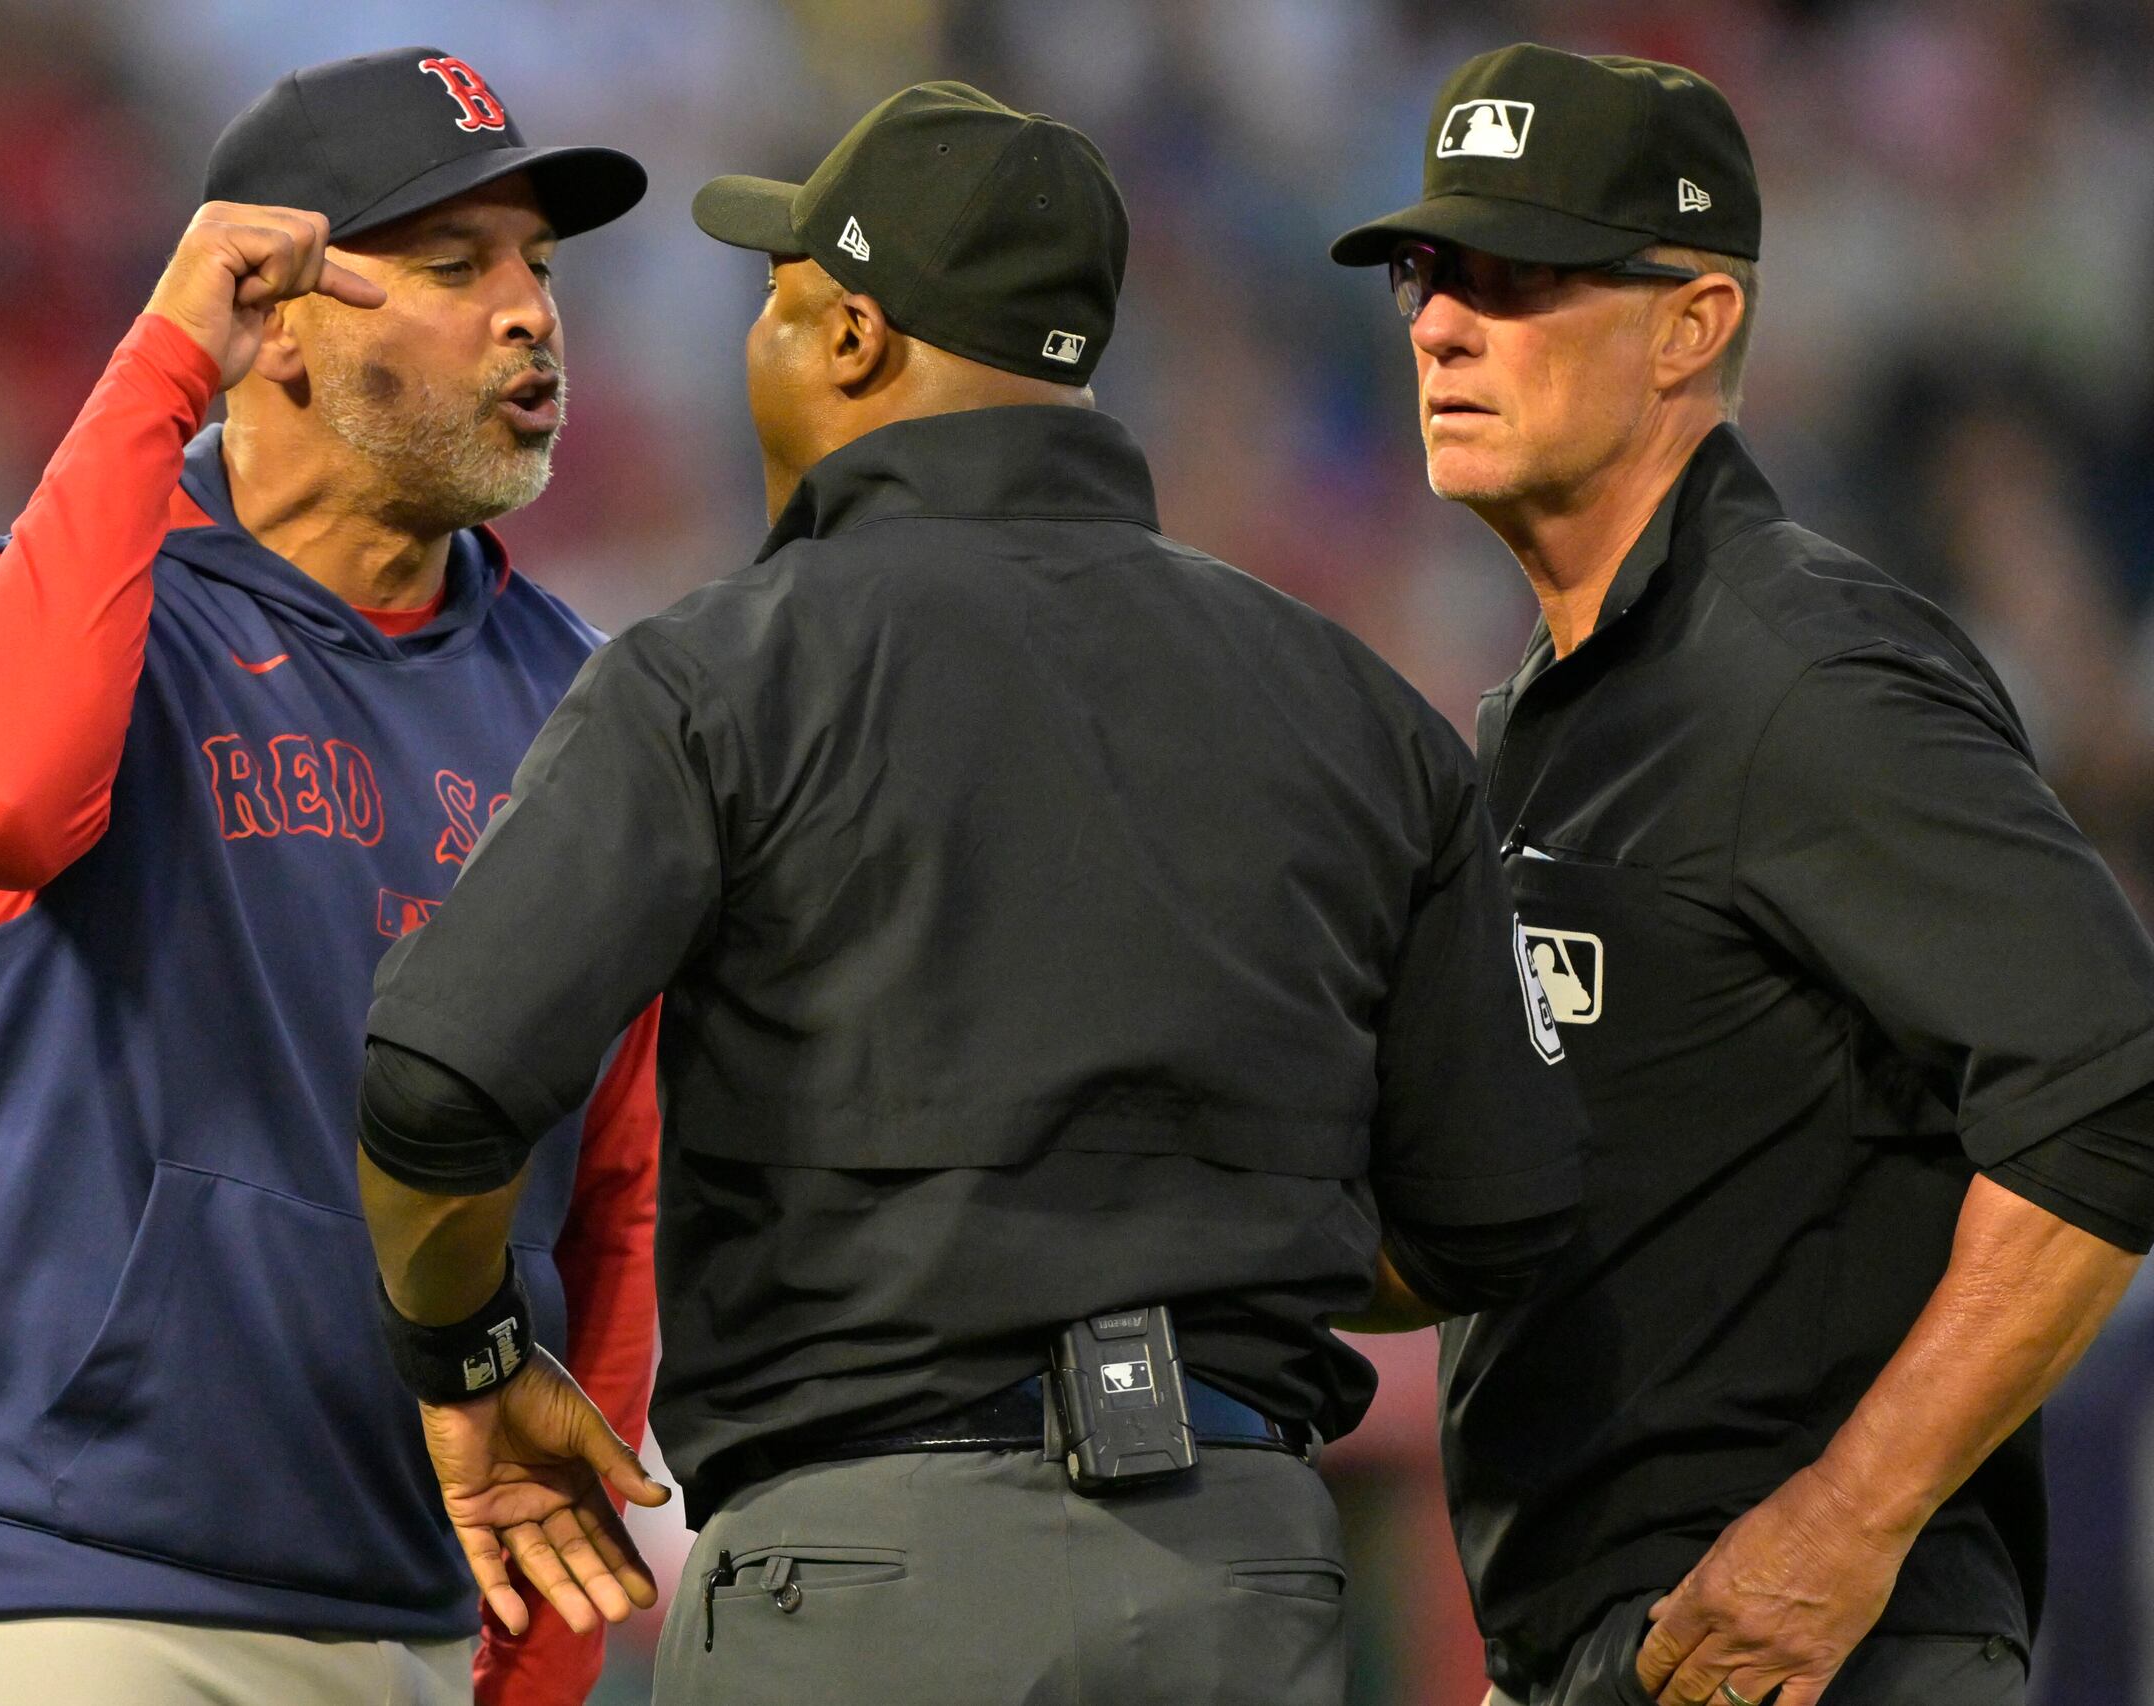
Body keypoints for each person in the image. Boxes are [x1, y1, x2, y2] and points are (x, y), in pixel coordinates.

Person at [346, 80, 1587, 1706]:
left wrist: (472, 1357)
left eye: (784, 307)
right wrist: (1190, 1233)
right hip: (1243, 1569)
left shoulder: (724, 672)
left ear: (856, 339)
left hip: (868, 1571)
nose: (761, 350)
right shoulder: (1354, 707)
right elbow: (1494, 1211)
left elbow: (435, 1085)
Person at [0, 47, 661, 1706]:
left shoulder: (587, 699)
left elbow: (616, 1192)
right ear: (272, 313)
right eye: (450, 266)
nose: (528, 313)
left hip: (409, 1602)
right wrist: (159, 363)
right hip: (66, 1578)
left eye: (540, 268)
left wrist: (545, 1654)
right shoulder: (85, 603)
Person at [1331, 42, 2154, 1706]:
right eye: (1429, 272)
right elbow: (1515, 1211)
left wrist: (1847, 1523)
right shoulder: (1547, 719)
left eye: (1517, 275)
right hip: (1618, 1652)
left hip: (1826, 1649)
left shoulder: (1799, 673)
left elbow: (2111, 1080)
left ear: (1694, 323)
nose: (1437, 322)